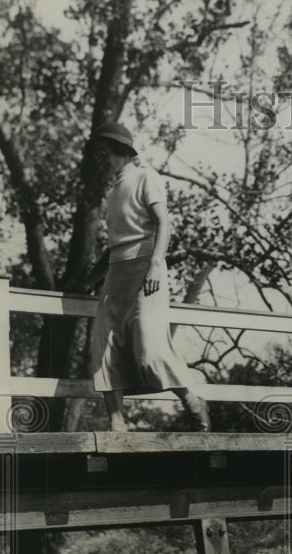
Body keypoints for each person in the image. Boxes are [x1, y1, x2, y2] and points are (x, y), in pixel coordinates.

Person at [84, 122, 210, 432]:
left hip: (146, 272)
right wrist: (88, 279)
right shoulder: (113, 190)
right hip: (116, 275)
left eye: (106, 153)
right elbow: (115, 246)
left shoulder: (146, 177)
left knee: (149, 350)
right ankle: (116, 421)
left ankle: (193, 403)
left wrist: (156, 263)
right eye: (99, 154)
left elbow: (164, 225)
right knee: (104, 345)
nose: (102, 159)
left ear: (122, 151)